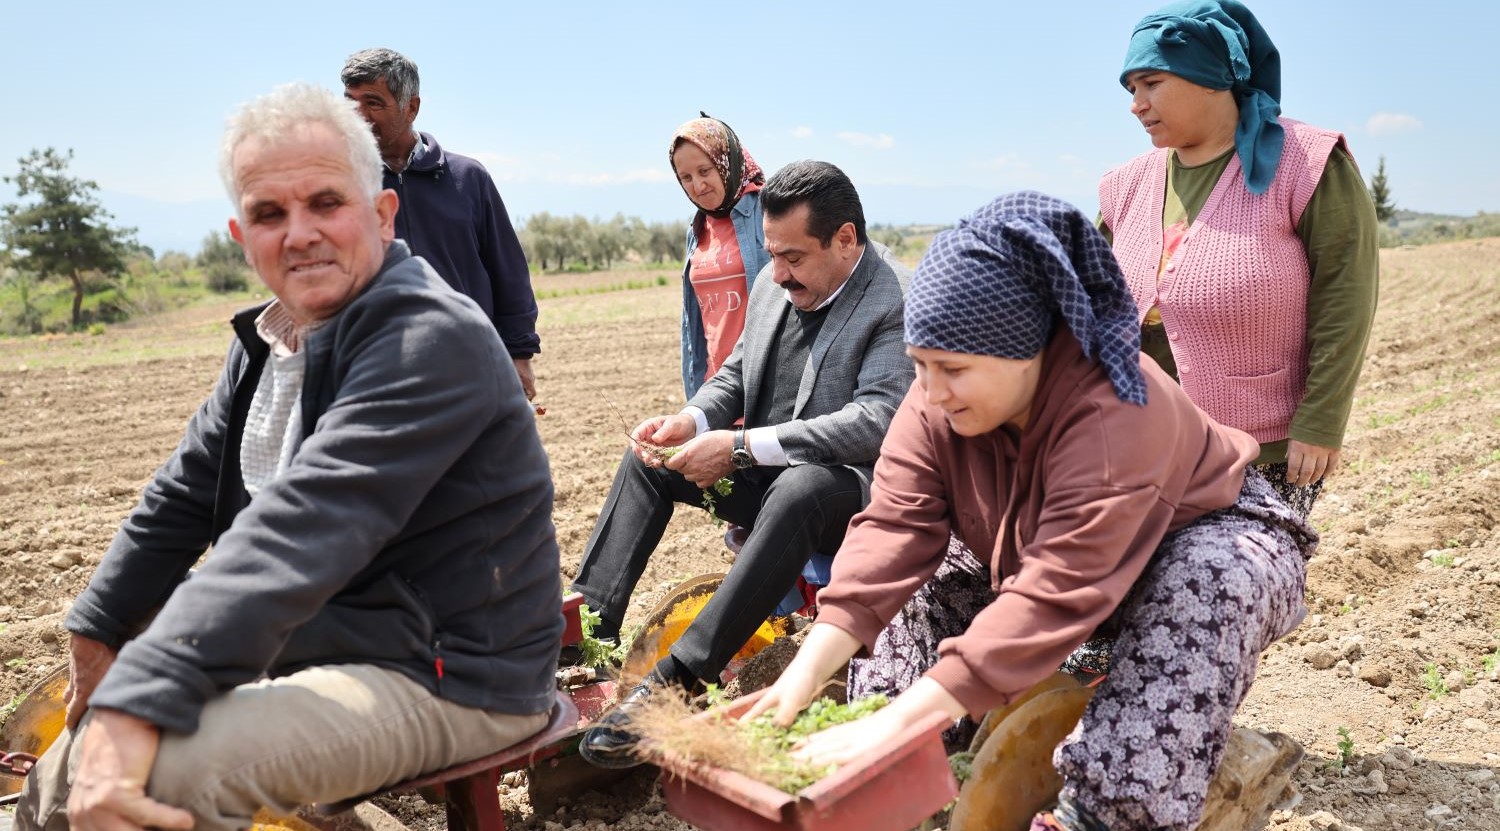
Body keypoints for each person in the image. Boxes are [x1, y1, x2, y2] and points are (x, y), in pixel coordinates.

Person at [14, 83, 561, 831]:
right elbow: (180, 494)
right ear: (244, 237)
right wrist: (98, 629)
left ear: (381, 212)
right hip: (346, 636)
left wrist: (135, 697)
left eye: (325, 203)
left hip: (454, 671)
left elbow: (302, 526)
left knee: (165, 773)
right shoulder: (276, 339)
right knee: (65, 774)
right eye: (271, 214)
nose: (299, 233)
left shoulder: (428, 338)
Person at [748, 192, 1317, 831]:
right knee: (914, 584)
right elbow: (893, 529)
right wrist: (798, 683)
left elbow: (1057, 588)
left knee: (1213, 583)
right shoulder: (938, 396)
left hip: (1192, 539)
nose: (931, 392)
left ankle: (1110, 811)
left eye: (953, 370)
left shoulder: (1116, 409)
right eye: (920, 366)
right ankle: (900, 768)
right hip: (1038, 549)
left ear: (1030, 347)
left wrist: (907, 718)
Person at [571, 160, 913, 768]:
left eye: (794, 258)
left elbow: (877, 421)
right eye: (772, 254)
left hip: (850, 495)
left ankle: (677, 681)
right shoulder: (773, 284)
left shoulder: (892, 297)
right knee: (650, 462)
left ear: (845, 239)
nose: (777, 273)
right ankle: (582, 639)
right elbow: (734, 374)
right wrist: (693, 421)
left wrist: (738, 446)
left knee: (801, 487)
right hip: (765, 470)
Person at [1097, 0, 1379, 517]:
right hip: (1143, 445)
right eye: (1131, 89)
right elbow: (1085, 301)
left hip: (1261, 449)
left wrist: (1321, 421)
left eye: (1152, 83)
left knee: (1245, 585)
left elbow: (1346, 298)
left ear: (1211, 76)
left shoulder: (1306, 162)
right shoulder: (1125, 185)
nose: (1136, 103)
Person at [341, 48, 542, 400]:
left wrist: (519, 354)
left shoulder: (469, 178)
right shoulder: (342, 187)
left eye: (373, 102)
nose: (358, 115)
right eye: (350, 101)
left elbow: (508, 272)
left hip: (473, 365)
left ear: (411, 108)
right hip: (380, 373)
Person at [670, 113, 772, 399]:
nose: (697, 186)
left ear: (727, 162)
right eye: (686, 178)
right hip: (715, 390)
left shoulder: (769, 211)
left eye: (705, 171)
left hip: (766, 389)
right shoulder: (697, 228)